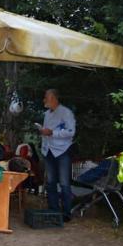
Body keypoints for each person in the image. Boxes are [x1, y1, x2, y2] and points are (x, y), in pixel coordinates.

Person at [39, 88, 76, 221]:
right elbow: (47, 132)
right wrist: (43, 133)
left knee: (64, 182)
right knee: (50, 182)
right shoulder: (47, 114)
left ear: (54, 98)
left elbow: (71, 132)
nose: (44, 100)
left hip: (62, 151)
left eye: (46, 98)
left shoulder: (66, 113)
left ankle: (66, 213)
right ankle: (53, 209)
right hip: (49, 150)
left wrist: (52, 133)